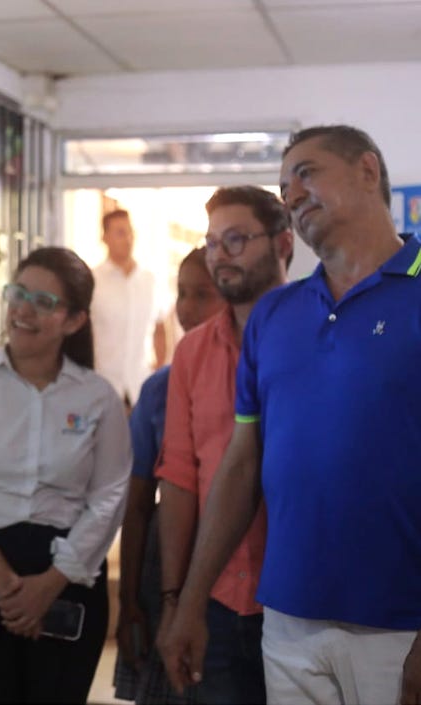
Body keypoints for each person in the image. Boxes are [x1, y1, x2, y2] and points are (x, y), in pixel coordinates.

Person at [159, 124, 421, 705]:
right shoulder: (276, 316)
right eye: (283, 186)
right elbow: (241, 465)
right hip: (289, 622)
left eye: (306, 173)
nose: (292, 194)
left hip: (400, 625)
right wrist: (191, 601)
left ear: (368, 171)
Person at [0, 246, 131, 704]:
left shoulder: (98, 399)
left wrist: (49, 584)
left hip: (65, 577)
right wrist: (6, 585)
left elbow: (111, 497)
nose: (23, 309)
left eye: (43, 302)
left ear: (74, 321)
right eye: (19, 293)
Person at [155, 186, 293, 705]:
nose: (220, 255)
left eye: (236, 239)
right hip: (213, 593)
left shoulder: (311, 334)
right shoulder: (192, 350)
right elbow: (181, 477)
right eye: (212, 242)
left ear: (284, 243)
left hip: (294, 597)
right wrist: (177, 600)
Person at [113, 246, 225, 704]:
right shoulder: (159, 389)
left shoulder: (256, 376)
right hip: (167, 562)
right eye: (182, 294)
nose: (188, 308)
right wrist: (129, 602)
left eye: (204, 294)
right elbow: (138, 505)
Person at [90, 209, 168, 408]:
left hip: (141, 386)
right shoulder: (93, 281)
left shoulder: (149, 281)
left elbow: (160, 329)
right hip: (104, 385)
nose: (128, 239)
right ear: (105, 237)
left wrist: (158, 371)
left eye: (130, 232)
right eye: (120, 233)